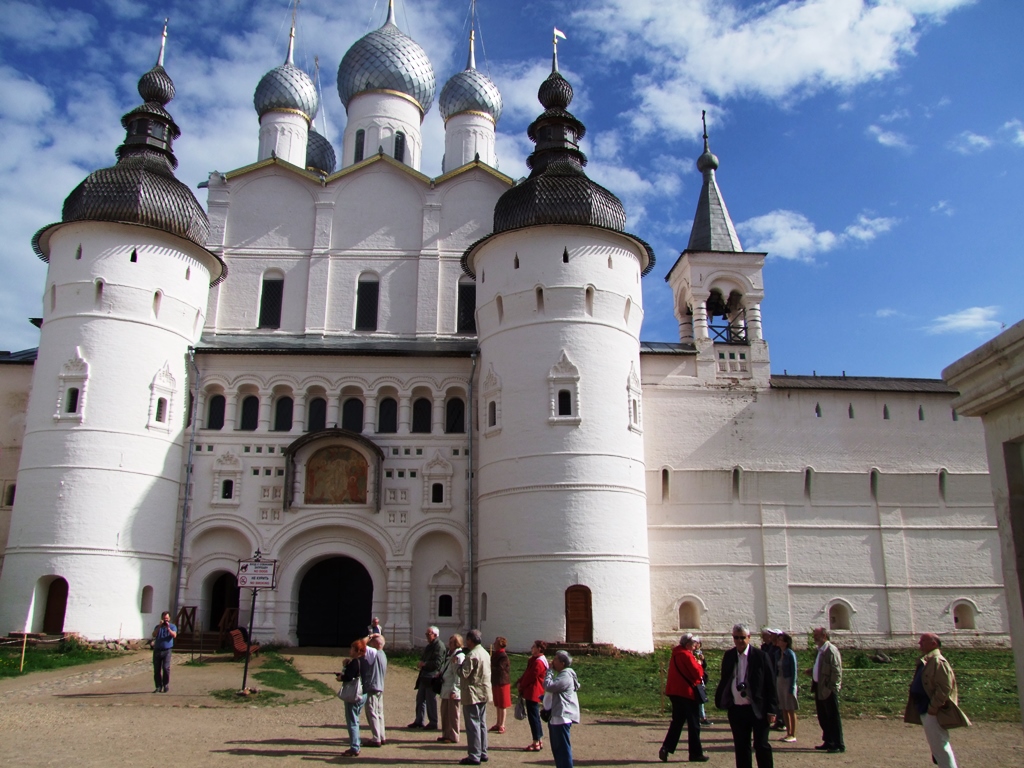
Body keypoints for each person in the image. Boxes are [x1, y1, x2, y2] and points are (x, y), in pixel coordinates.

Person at [715, 623, 778, 768]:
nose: (739, 641)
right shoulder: (729, 656)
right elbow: (725, 678)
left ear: (749, 638)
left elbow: (770, 683)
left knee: (761, 745)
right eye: (736, 638)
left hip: (758, 708)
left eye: (742, 638)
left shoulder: (761, 656)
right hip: (737, 709)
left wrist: (772, 709)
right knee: (741, 746)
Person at [904, 633, 968, 768]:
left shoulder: (938, 661)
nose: (919, 644)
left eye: (923, 641)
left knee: (940, 746)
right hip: (925, 708)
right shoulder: (927, 661)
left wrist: (933, 709)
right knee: (936, 746)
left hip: (932, 710)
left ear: (934, 643)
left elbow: (944, 688)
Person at [659, 633, 709, 763]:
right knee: (694, 724)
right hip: (687, 693)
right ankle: (695, 753)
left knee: (677, 722)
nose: (694, 647)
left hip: (675, 692)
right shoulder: (686, 655)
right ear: (687, 644)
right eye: (693, 645)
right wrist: (699, 663)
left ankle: (666, 747)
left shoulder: (676, 653)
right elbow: (697, 673)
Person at [806, 626, 844, 754]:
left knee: (833, 717)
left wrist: (832, 687)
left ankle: (838, 743)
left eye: (816, 635)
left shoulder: (831, 650)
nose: (814, 637)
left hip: (828, 689)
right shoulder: (820, 651)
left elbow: (836, 670)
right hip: (819, 687)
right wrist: (812, 672)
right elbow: (821, 667)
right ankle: (828, 740)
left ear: (824, 636)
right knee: (823, 716)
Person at [458, 629, 492, 766]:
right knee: (482, 723)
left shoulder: (472, 655)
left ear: (470, 640)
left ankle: (474, 755)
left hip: (473, 692)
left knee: (473, 724)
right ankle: (483, 751)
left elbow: (463, 673)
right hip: (484, 690)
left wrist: (457, 666)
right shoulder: (484, 652)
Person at [545, 650, 581, 768]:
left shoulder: (565, 675)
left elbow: (549, 686)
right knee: (557, 750)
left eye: (555, 659)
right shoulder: (561, 675)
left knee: (563, 750)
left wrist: (549, 671)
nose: (552, 661)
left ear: (562, 663)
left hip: (562, 716)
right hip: (556, 716)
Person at [410, 625, 446, 729]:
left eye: (428, 634)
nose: (426, 636)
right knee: (420, 699)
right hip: (424, 676)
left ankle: (433, 722)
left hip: (432, 677)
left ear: (435, 635)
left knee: (431, 700)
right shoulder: (429, 645)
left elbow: (438, 663)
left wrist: (424, 664)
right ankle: (419, 720)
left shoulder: (439, 646)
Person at [516, 640, 549, 752]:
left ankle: (536, 741)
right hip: (532, 691)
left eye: (534, 646)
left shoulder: (539, 662)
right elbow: (527, 673)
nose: (532, 648)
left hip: (533, 691)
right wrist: (520, 681)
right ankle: (538, 740)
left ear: (539, 648)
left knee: (533, 717)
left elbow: (531, 676)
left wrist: (522, 685)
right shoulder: (535, 660)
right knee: (534, 717)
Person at [338, 638, 369, 757]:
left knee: (352, 721)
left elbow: (348, 677)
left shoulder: (355, 662)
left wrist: (341, 676)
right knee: (355, 719)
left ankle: (355, 747)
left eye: (352, 648)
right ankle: (356, 743)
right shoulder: (365, 661)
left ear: (357, 650)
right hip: (364, 693)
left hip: (355, 694)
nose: (350, 650)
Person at [439, 633, 466, 744]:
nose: (449, 644)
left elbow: (458, 675)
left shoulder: (458, 657)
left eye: (451, 643)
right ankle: (445, 734)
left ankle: (453, 736)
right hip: (445, 688)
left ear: (456, 644)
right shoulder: (450, 655)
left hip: (452, 689)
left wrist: (455, 689)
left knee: (453, 715)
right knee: (445, 713)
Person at [363, 633, 388, 747]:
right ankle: (382, 736)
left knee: (372, 712)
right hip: (380, 687)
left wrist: (370, 635)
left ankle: (376, 738)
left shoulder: (374, 653)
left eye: (372, 641)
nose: (370, 642)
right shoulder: (383, 654)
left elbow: (360, 644)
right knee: (379, 713)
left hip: (372, 686)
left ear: (377, 643)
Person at [774, 632, 798, 742]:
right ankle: (788, 732)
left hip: (788, 681)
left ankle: (793, 733)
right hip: (780, 681)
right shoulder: (778, 653)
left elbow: (794, 671)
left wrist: (792, 687)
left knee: (790, 708)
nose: (778, 641)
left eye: (780, 640)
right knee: (783, 708)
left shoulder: (790, 654)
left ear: (786, 642)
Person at [489, 636, 511, 734]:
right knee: (497, 703)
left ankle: (502, 724)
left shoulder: (503, 655)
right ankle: (498, 723)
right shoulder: (496, 654)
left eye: (496, 642)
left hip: (502, 682)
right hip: (496, 681)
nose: (494, 644)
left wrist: (490, 666)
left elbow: (501, 668)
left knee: (502, 704)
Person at [151, 611, 177, 693]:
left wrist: (168, 628)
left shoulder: (172, 626)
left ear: (169, 619)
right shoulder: (158, 627)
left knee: (166, 668)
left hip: (167, 650)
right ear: (162, 618)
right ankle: (158, 686)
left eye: (167, 619)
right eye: (164, 619)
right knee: (156, 669)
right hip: (157, 650)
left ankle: (165, 684)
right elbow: (154, 634)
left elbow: (174, 635)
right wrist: (159, 626)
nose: (166, 620)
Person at [693, 637, 713, 726]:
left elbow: (704, 666)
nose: (697, 645)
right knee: (699, 699)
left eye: (698, 643)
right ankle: (701, 717)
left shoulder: (700, 653)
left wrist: (703, 659)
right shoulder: (691, 653)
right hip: (695, 679)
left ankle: (701, 717)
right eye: (695, 643)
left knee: (700, 698)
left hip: (701, 678)